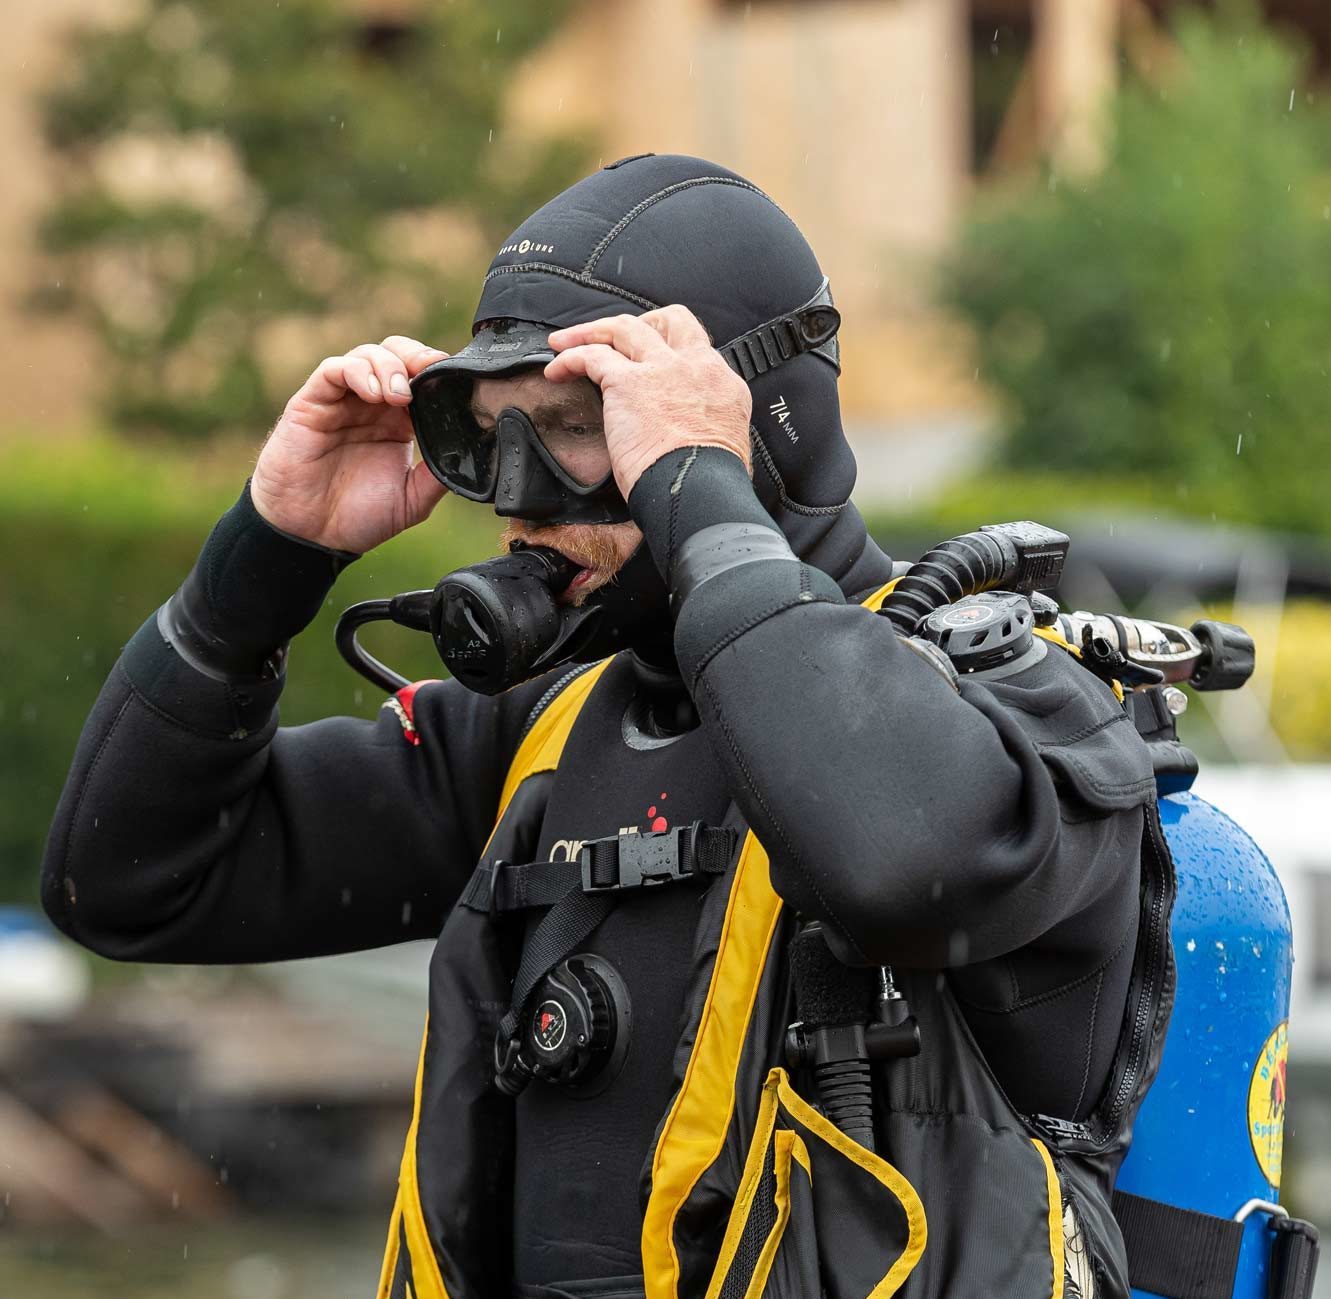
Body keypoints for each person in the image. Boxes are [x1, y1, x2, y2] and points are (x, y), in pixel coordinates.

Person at [44, 154, 1170, 1299]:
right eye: (488, 436)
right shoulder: (536, 740)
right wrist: (260, 563)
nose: (520, 491)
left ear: (743, 427)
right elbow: (131, 882)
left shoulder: (1021, 708)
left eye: (580, 425)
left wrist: (697, 497)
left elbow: (894, 863)